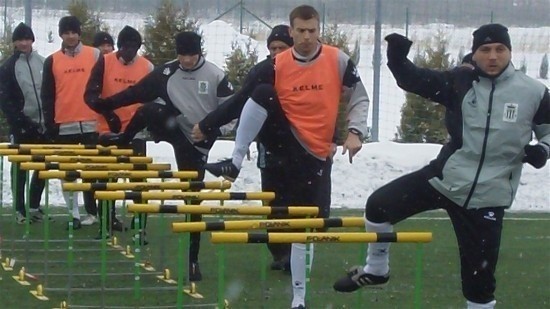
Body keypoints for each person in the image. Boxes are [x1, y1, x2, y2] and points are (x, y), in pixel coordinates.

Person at [332, 24, 550, 309]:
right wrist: (397, 59)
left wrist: (543, 150)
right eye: (485, 50)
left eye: (500, 49)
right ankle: (376, 271)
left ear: (510, 51)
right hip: (445, 179)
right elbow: (415, 80)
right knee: (378, 206)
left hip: (489, 196)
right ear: (474, 54)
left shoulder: (533, 92)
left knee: (479, 284)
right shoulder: (460, 82)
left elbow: (548, 129)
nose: (493, 56)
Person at [202, 5, 369, 309]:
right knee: (263, 92)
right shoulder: (274, 65)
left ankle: (299, 297)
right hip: (283, 138)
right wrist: (208, 124)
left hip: (316, 153)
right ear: (291, 32)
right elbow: (242, 99)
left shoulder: (338, 60)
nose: (307, 37)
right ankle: (235, 161)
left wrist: (356, 131)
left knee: (310, 226)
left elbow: (359, 97)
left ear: (319, 30)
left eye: (312, 31)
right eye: (301, 31)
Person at [93, 31, 235, 281]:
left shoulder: (216, 75)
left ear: (199, 52)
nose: (187, 61)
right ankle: (124, 139)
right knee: (147, 109)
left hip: (198, 140)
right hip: (174, 127)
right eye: (182, 55)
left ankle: (193, 260)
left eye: (191, 55)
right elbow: (134, 93)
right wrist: (103, 105)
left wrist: (212, 131)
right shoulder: (166, 73)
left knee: (192, 197)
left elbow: (232, 111)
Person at [85, 25, 154, 237]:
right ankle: (105, 223)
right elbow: (90, 96)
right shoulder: (104, 62)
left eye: (133, 48)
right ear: (119, 46)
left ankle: (140, 225)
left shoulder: (148, 67)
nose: (128, 52)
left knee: (138, 180)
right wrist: (109, 113)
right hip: (107, 132)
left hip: (136, 134)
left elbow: (154, 99)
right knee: (106, 181)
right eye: (124, 47)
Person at [41, 16, 101, 229]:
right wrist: (50, 123)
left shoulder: (95, 55)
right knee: (68, 174)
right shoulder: (52, 60)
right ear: (61, 35)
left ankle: (93, 212)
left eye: (74, 32)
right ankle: (73, 214)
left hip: (91, 123)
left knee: (91, 171)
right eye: (66, 32)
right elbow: (47, 95)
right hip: (64, 124)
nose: (70, 36)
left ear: (79, 33)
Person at [0, 22, 47, 224]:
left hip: (43, 124)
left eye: (27, 39)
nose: (24, 43)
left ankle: (34, 206)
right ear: (15, 43)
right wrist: (21, 121)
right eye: (20, 39)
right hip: (21, 126)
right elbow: (6, 100)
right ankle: (19, 209)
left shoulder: (43, 62)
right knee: (21, 168)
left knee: (43, 166)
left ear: (32, 40)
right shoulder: (7, 67)